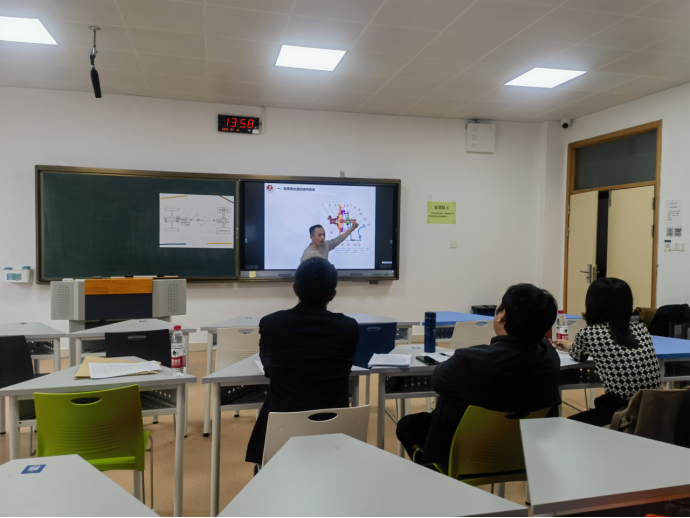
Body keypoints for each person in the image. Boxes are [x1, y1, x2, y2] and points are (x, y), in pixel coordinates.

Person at [396, 284, 562, 469]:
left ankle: (435, 472)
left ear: (502, 315)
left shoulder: (468, 360)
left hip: (467, 454)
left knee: (407, 425)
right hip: (525, 453)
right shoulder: (550, 356)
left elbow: (437, 381)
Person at [245, 257, 360, 466]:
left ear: (295, 289)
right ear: (333, 294)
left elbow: (269, 370)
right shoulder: (349, 327)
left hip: (283, 432)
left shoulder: (271, 324)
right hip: (334, 431)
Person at [554, 278, 662, 427]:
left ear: (593, 304)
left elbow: (578, 355)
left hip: (623, 411)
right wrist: (571, 345)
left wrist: (569, 346)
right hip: (655, 408)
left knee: (565, 426)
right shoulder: (641, 328)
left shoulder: (589, 333)